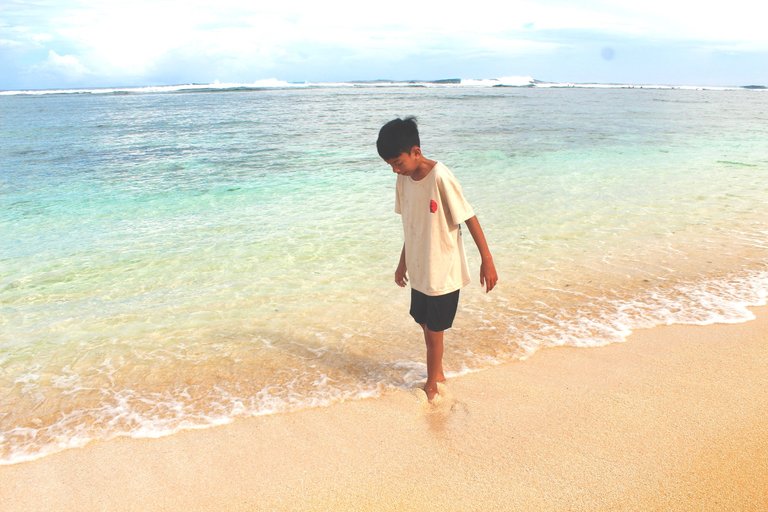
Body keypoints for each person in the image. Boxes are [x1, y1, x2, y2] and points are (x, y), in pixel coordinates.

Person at [376, 117, 498, 402]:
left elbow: (468, 217)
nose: (395, 169)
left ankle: (432, 385)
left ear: (416, 152)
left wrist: (487, 260)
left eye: (398, 162)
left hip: (443, 270)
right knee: (423, 321)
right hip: (421, 268)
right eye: (390, 165)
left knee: (434, 332)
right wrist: (403, 262)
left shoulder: (440, 176)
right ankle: (438, 371)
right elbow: (412, 224)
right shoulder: (403, 179)